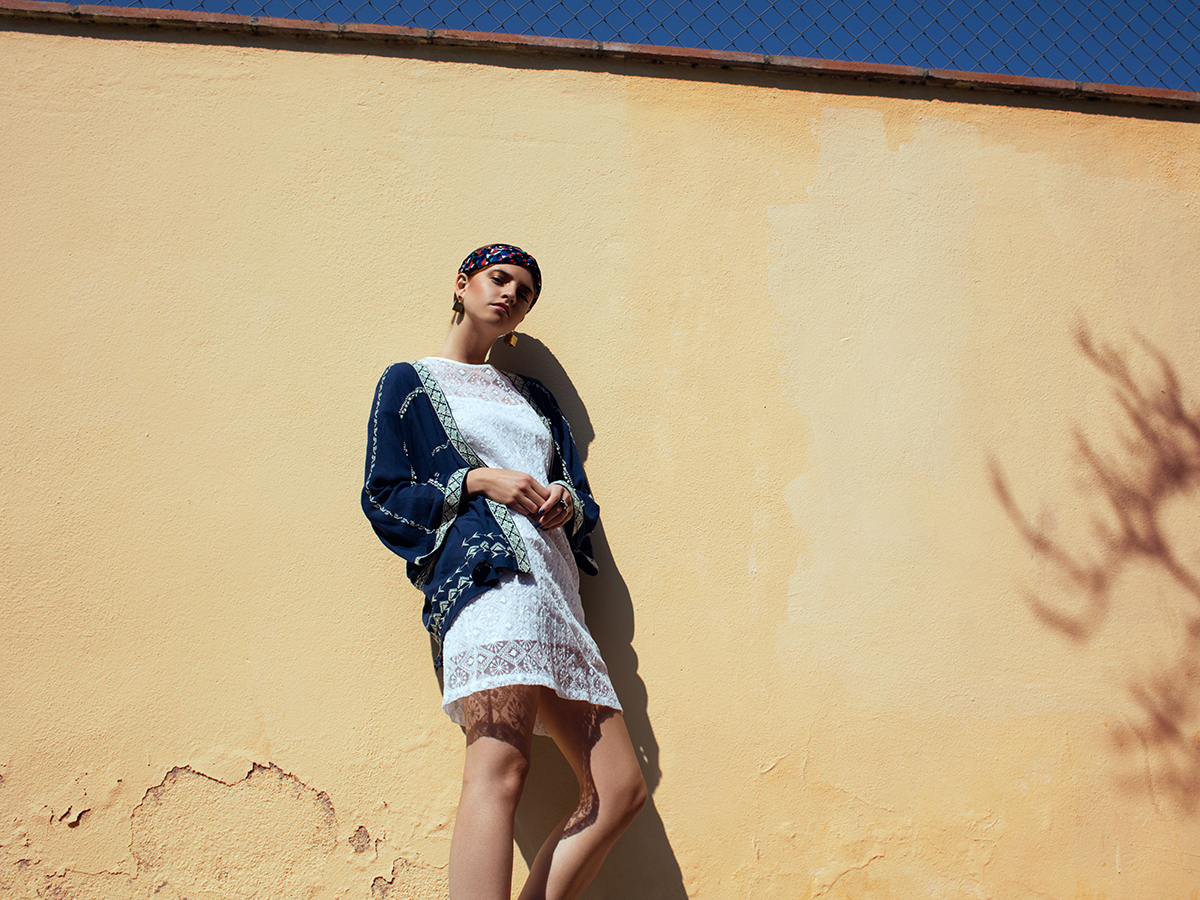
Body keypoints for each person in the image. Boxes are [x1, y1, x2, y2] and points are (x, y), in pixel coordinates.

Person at [362, 244, 646, 900]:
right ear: (462, 285)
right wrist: (477, 480)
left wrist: (567, 500)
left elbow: (578, 493)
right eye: (499, 279)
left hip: (554, 591)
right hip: (487, 584)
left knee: (619, 790)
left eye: (524, 292)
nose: (510, 294)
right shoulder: (409, 381)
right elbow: (384, 495)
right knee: (501, 770)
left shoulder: (533, 397)